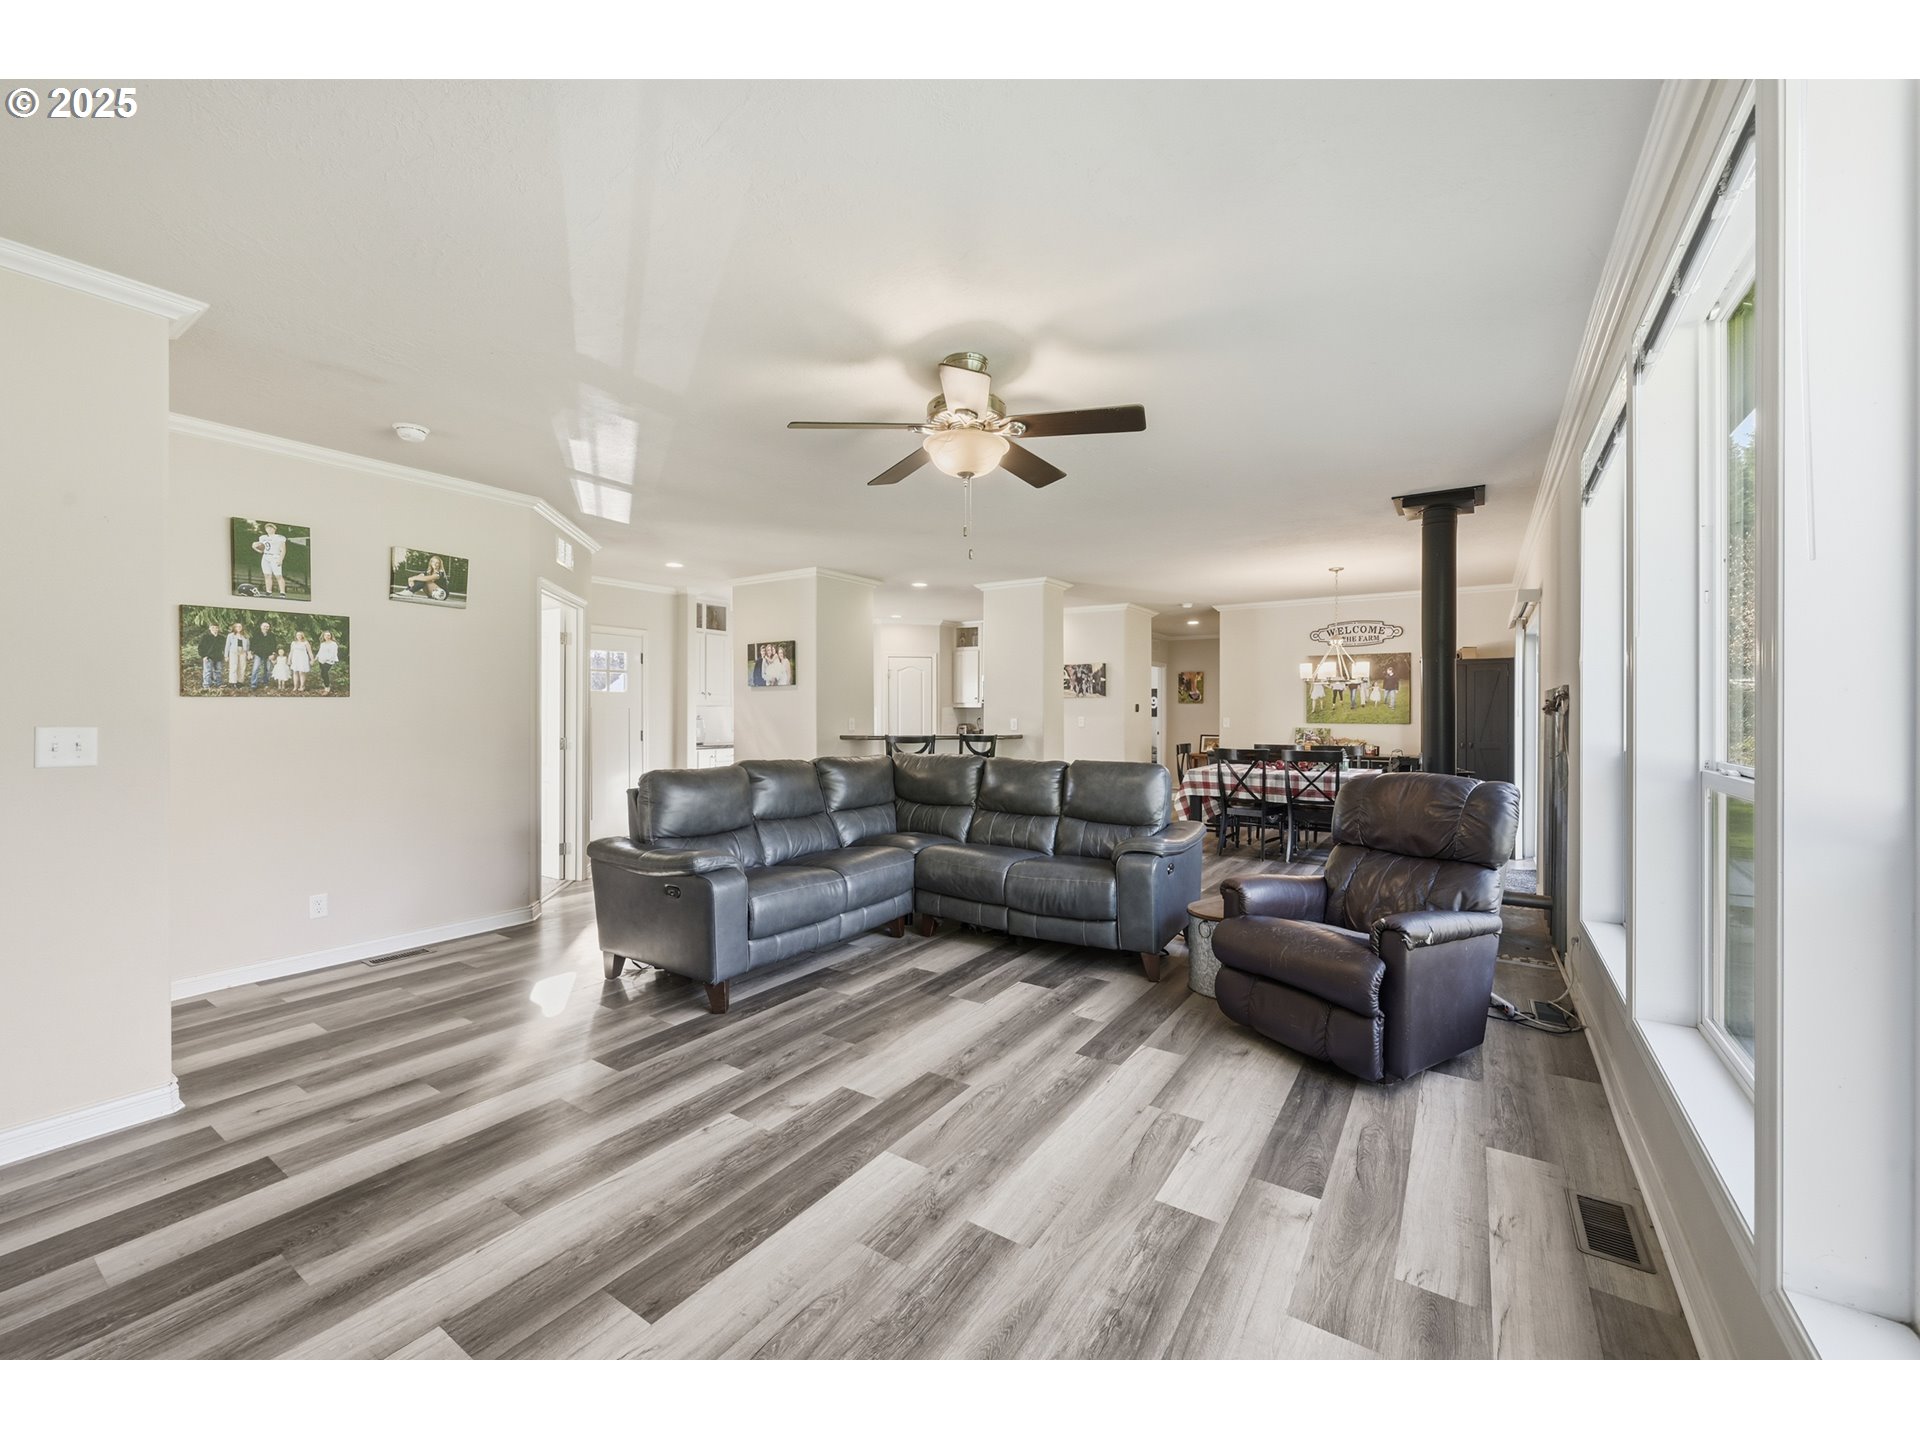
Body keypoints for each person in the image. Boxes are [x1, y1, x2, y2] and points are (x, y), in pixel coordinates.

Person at [252, 521, 289, 597]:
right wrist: (254, 547)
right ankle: (268, 592)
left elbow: (283, 550)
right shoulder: (262, 537)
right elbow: (261, 550)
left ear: (274, 529)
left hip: (275, 556)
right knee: (267, 575)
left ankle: (282, 593)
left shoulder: (279, 538)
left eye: (271, 527)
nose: (269, 529)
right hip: (265, 557)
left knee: (278, 575)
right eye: (267, 528)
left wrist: (281, 559)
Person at [196, 622, 224, 691]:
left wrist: (225, 655)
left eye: (216, 628)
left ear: (218, 629)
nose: (215, 629)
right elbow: (200, 647)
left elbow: (225, 647)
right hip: (208, 657)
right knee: (208, 671)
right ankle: (206, 685)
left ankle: (218, 684)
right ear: (210, 628)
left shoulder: (221, 638)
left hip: (218, 657)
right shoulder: (205, 637)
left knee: (218, 671)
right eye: (213, 628)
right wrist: (204, 656)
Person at [250, 619, 276, 689]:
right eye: (264, 626)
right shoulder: (256, 634)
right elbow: (252, 644)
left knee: (268, 669)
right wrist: (251, 652)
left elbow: (274, 645)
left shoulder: (272, 635)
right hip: (258, 654)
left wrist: (273, 654)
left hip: (268, 655)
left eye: (267, 626)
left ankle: (266, 682)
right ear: (261, 627)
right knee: (255, 668)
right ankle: (253, 684)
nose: (266, 628)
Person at [224, 621, 248, 686]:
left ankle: (240, 681)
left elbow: (248, 646)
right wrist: (226, 655)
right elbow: (227, 646)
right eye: (237, 626)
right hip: (233, 652)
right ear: (234, 628)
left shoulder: (245, 636)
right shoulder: (230, 635)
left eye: (240, 626)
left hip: (243, 652)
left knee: (242, 667)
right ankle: (233, 682)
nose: (239, 628)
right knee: (233, 667)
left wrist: (248, 653)